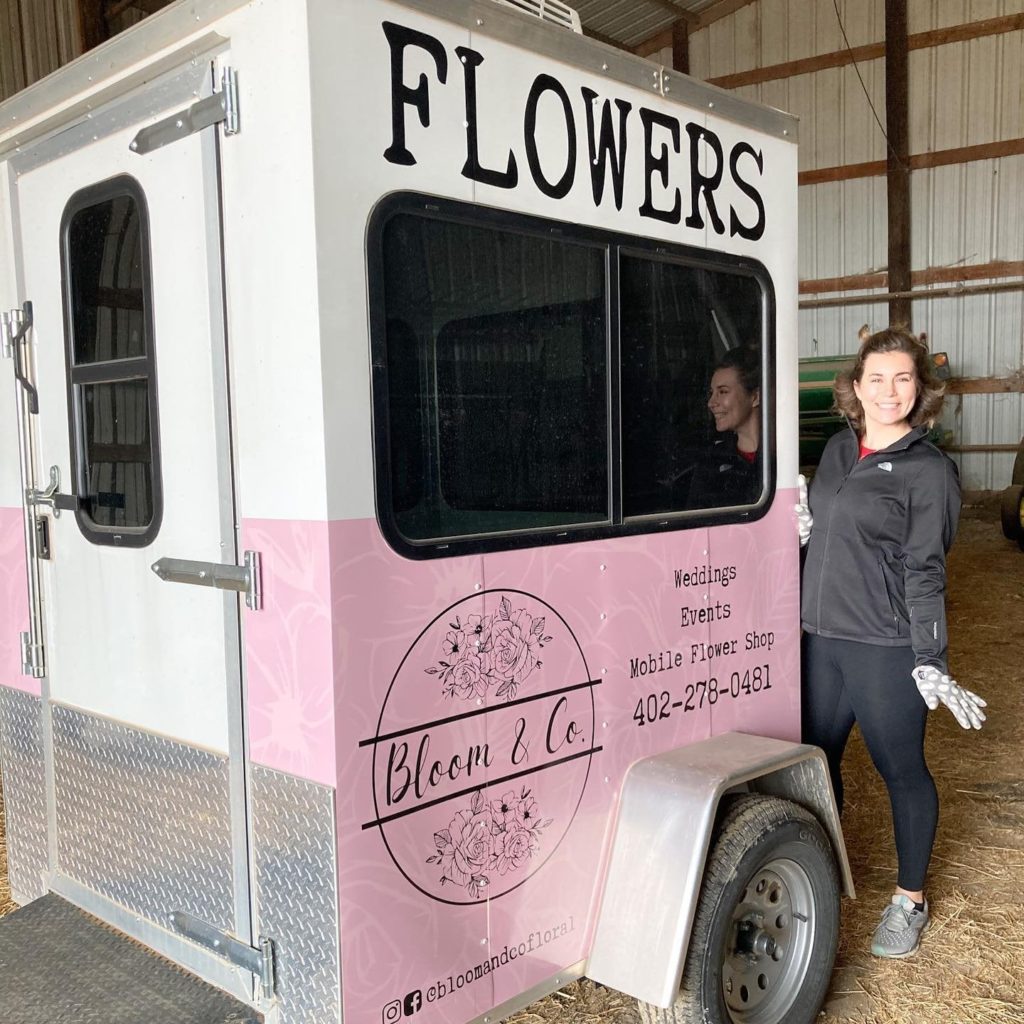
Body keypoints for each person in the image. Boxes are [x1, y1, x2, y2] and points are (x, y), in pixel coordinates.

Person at [797, 325, 986, 959]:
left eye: (902, 378)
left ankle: (909, 900)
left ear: (921, 388)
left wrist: (931, 658)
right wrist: (797, 531)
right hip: (819, 639)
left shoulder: (927, 470)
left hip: (883, 646)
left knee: (900, 770)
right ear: (855, 387)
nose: (889, 390)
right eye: (876, 378)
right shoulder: (835, 450)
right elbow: (830, 532)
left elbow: (926, 567)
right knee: (816, 764)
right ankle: (821, 873)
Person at [688, 347, 761, 508]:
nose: (711, 403)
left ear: (755, 397)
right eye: (712, 393)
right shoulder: (711, 462)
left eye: (723, 392)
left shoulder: (783, 458)